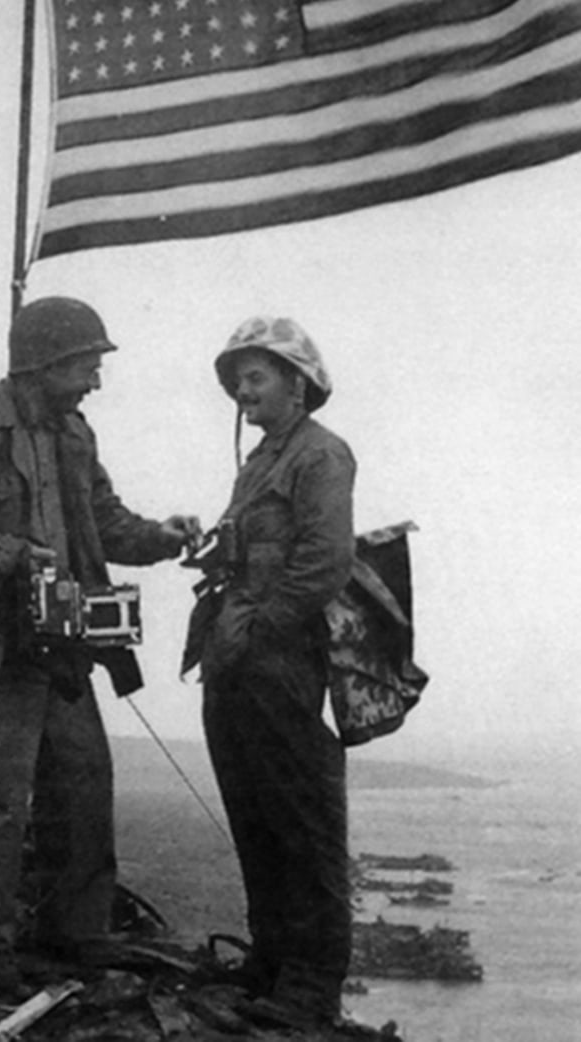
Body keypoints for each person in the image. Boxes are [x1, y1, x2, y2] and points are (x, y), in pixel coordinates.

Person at [0, 295, 200, 994]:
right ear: (46, 363)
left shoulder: (75, 434)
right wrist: (12, 554)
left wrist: (163, 536)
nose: (95, 378)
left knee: (84, 780)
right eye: (88, 363)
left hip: (61, 644)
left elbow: (108, 523)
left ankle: (77, 935)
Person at [185, 316, 356, 1027]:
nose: (243, 392)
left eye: (256, 378)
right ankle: (272, 961)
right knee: (252, 812)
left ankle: (312, 984)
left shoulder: (321, 455)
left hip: (277, 659)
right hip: (233, 656)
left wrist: (261, 630)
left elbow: (324, 561)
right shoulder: (260, 461)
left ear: (297, 381)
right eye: (237, 381)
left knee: (300, 818)